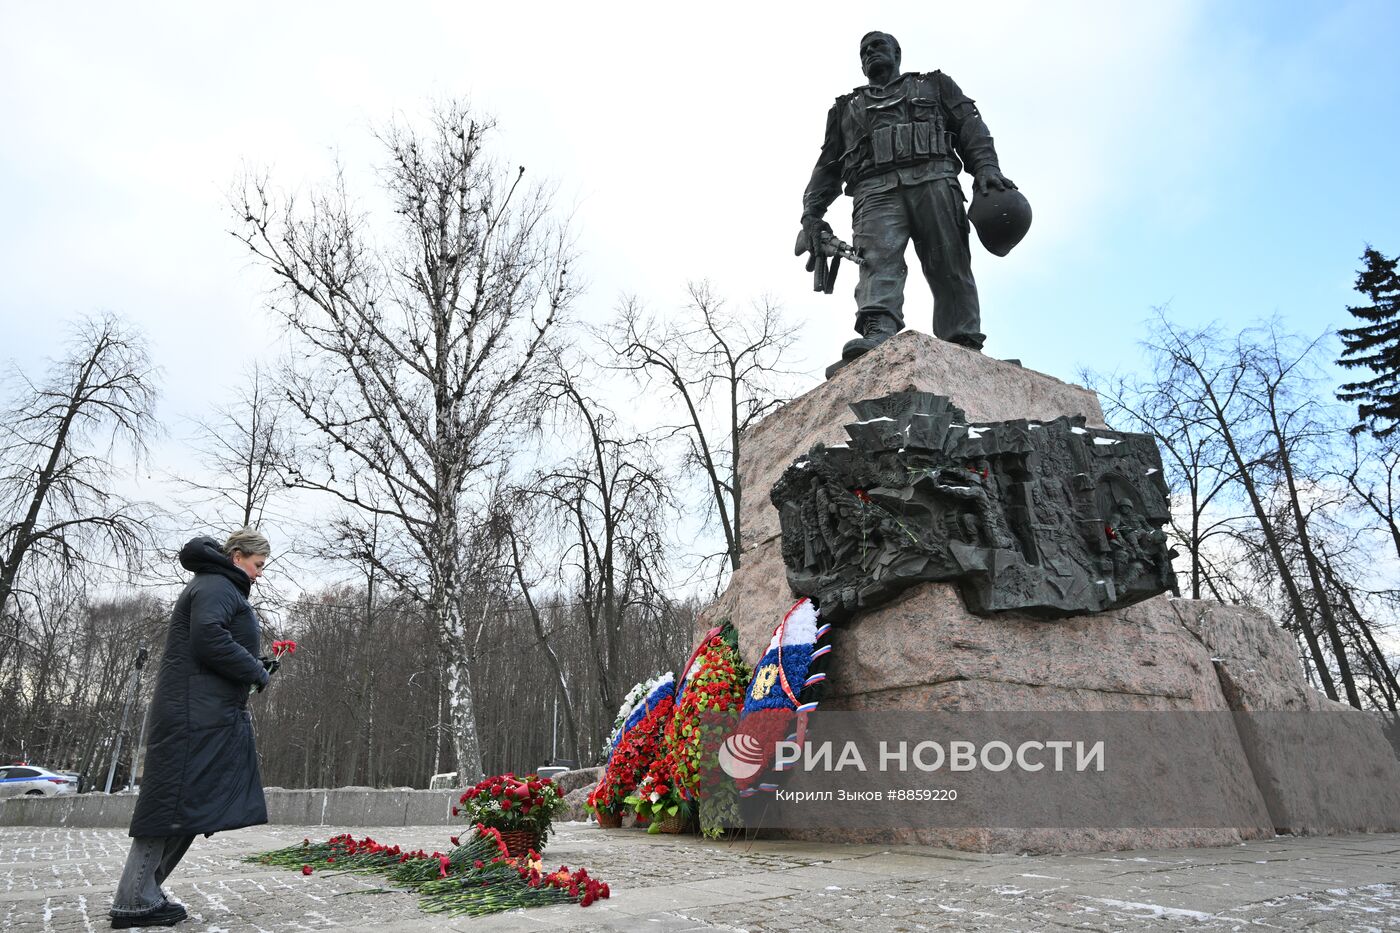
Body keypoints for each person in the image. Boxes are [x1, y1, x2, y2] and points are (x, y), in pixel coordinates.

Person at [799, 31, 1017, 361]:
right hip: (874, 191)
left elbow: (971, 127)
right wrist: (811, 213)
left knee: (949, 262)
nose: (870, 53)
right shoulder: (846, 109)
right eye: (864, 51)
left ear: (897, 53)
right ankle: (878, 333)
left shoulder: (935, 85)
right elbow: (828, 165)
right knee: (876, 261)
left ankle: (963, 340)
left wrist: (986, 167)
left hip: (935, 180)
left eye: (877, 46)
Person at [109, 529, 277, 928]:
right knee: (171, 806)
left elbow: (216, 646)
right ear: (237, 556)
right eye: (257, 566)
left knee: (188, 808)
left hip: (205, 715)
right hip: (193, 719)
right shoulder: (218, 584)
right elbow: (209, 638)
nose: (259, 575)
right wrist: (255, 669)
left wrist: (257, 669)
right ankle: (134, 899)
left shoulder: (221, 585)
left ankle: (145, 893)